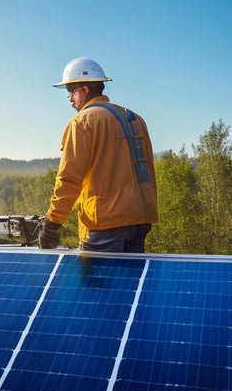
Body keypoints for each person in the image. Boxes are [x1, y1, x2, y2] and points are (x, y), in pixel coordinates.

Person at [38, 57, 158, 252]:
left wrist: (52, 224)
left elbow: (69, 179)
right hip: (141, 220)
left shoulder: (83, 121)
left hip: (105, 223)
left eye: (71, 93)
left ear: (84, 90)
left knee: (97, 282)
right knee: (130, 282)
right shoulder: (136, 119)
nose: (70, 100)